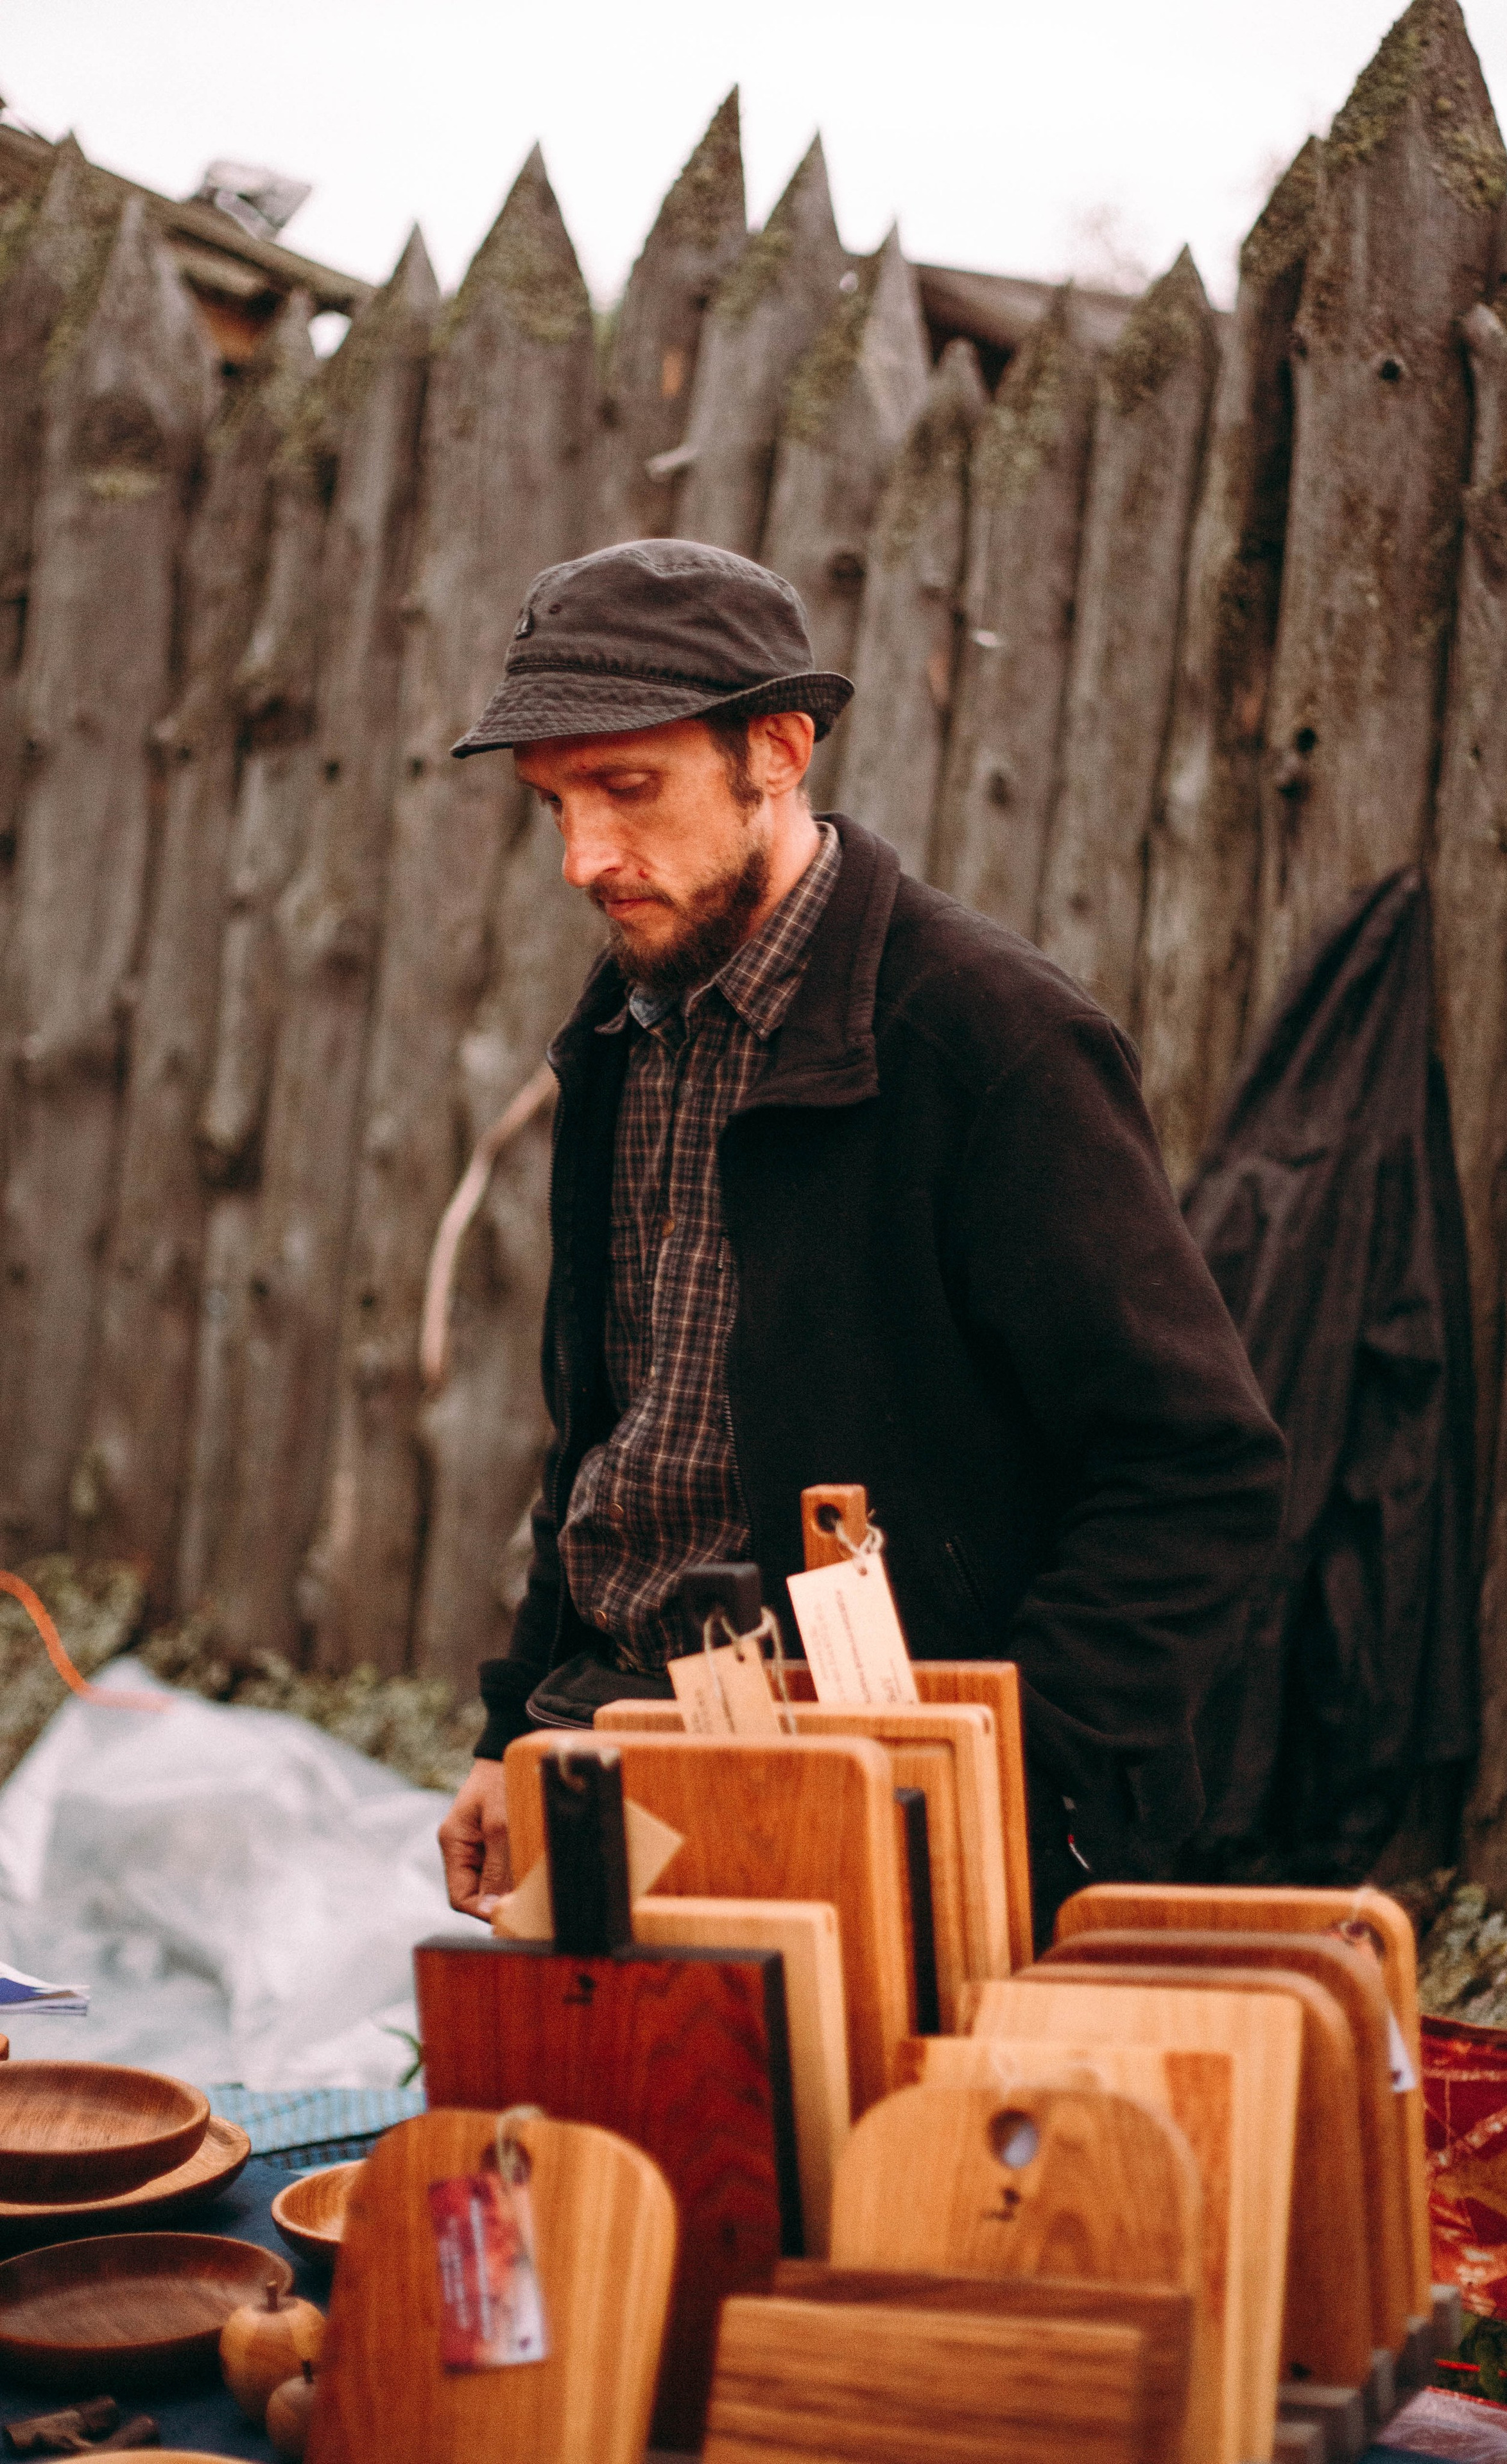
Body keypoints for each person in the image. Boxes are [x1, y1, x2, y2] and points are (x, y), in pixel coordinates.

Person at [437, 538, 1285, 1938]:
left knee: (858, 2166)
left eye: (628, 790)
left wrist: (1005, 1792)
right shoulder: (619, 1029)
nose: (586, 857)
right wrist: (512, 1725)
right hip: (617, 1740)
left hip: (898, 1789)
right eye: (554, 805)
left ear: (775, 750)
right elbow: (608, 1435)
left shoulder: (988, 1042)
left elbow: (1195, 1472)